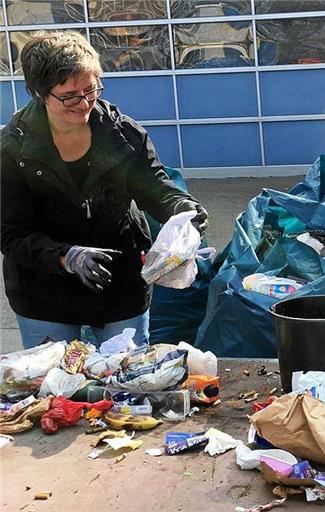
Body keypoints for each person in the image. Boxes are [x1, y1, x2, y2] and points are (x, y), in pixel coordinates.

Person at [1, 31, 209, 348]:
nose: (84, 102)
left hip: (120, 285)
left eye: (91, 89)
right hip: (43, 295)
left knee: (128, 382)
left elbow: (155, 187)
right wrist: (67, 257)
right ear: (41, 92)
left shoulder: (122, 134)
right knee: (55, 388)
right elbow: (11, 233)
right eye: (70, 95)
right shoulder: (11, 150)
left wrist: (183, 209)